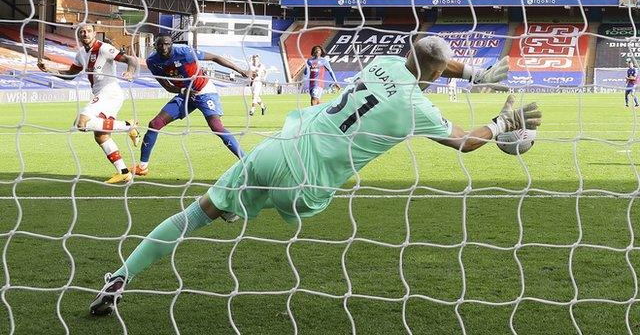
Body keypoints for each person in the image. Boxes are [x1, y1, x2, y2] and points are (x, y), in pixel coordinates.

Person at [89, 37, 540, 316]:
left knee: (197, 213)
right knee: (277, 202)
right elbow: (465, 141)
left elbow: (426, 58)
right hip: (305, 185)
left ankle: (121, 275)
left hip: (277, 147)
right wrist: (502, 123)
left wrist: (474, 73)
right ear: (438, 75)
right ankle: (240, 207)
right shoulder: (415, 108)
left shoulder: (381, 61)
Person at [129, 36, 254, 176]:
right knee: (154, 124)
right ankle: (143, 167)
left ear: (172, 44)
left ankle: (245, 160)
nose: (164, 48)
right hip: (185, 95)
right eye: (160, 45)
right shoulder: (152, 62)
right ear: (155, 46)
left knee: (216, 127)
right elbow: (167, 86)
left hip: (204, 91)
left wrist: (242, 71)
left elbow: (215, 57)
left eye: (167, 44)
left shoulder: (185, 52)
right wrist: (183, 91)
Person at [37, 24, 140, 184]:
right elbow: (71, 74)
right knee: (101, 135)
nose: (85, 34)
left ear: (95, 33)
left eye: (88, 31)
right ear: (78, 36)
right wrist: (49, 69)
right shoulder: (81, 55)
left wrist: (130, 72)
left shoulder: (104, 48)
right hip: (100, 94)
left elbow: (131, 59)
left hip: (110, 92)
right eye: (82, 32)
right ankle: (124, 172)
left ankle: (129, 126)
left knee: (82, 122)